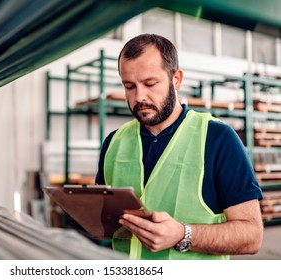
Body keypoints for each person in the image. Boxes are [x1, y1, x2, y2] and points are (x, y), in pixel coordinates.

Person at [95, 34, 264, 260]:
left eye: (150, 84)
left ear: (176, 79)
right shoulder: (114, 142)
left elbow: (251, 235)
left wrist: (182, 235)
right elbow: (103, 221)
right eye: (129, 86)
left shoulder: (217, 138)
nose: (139, 97)